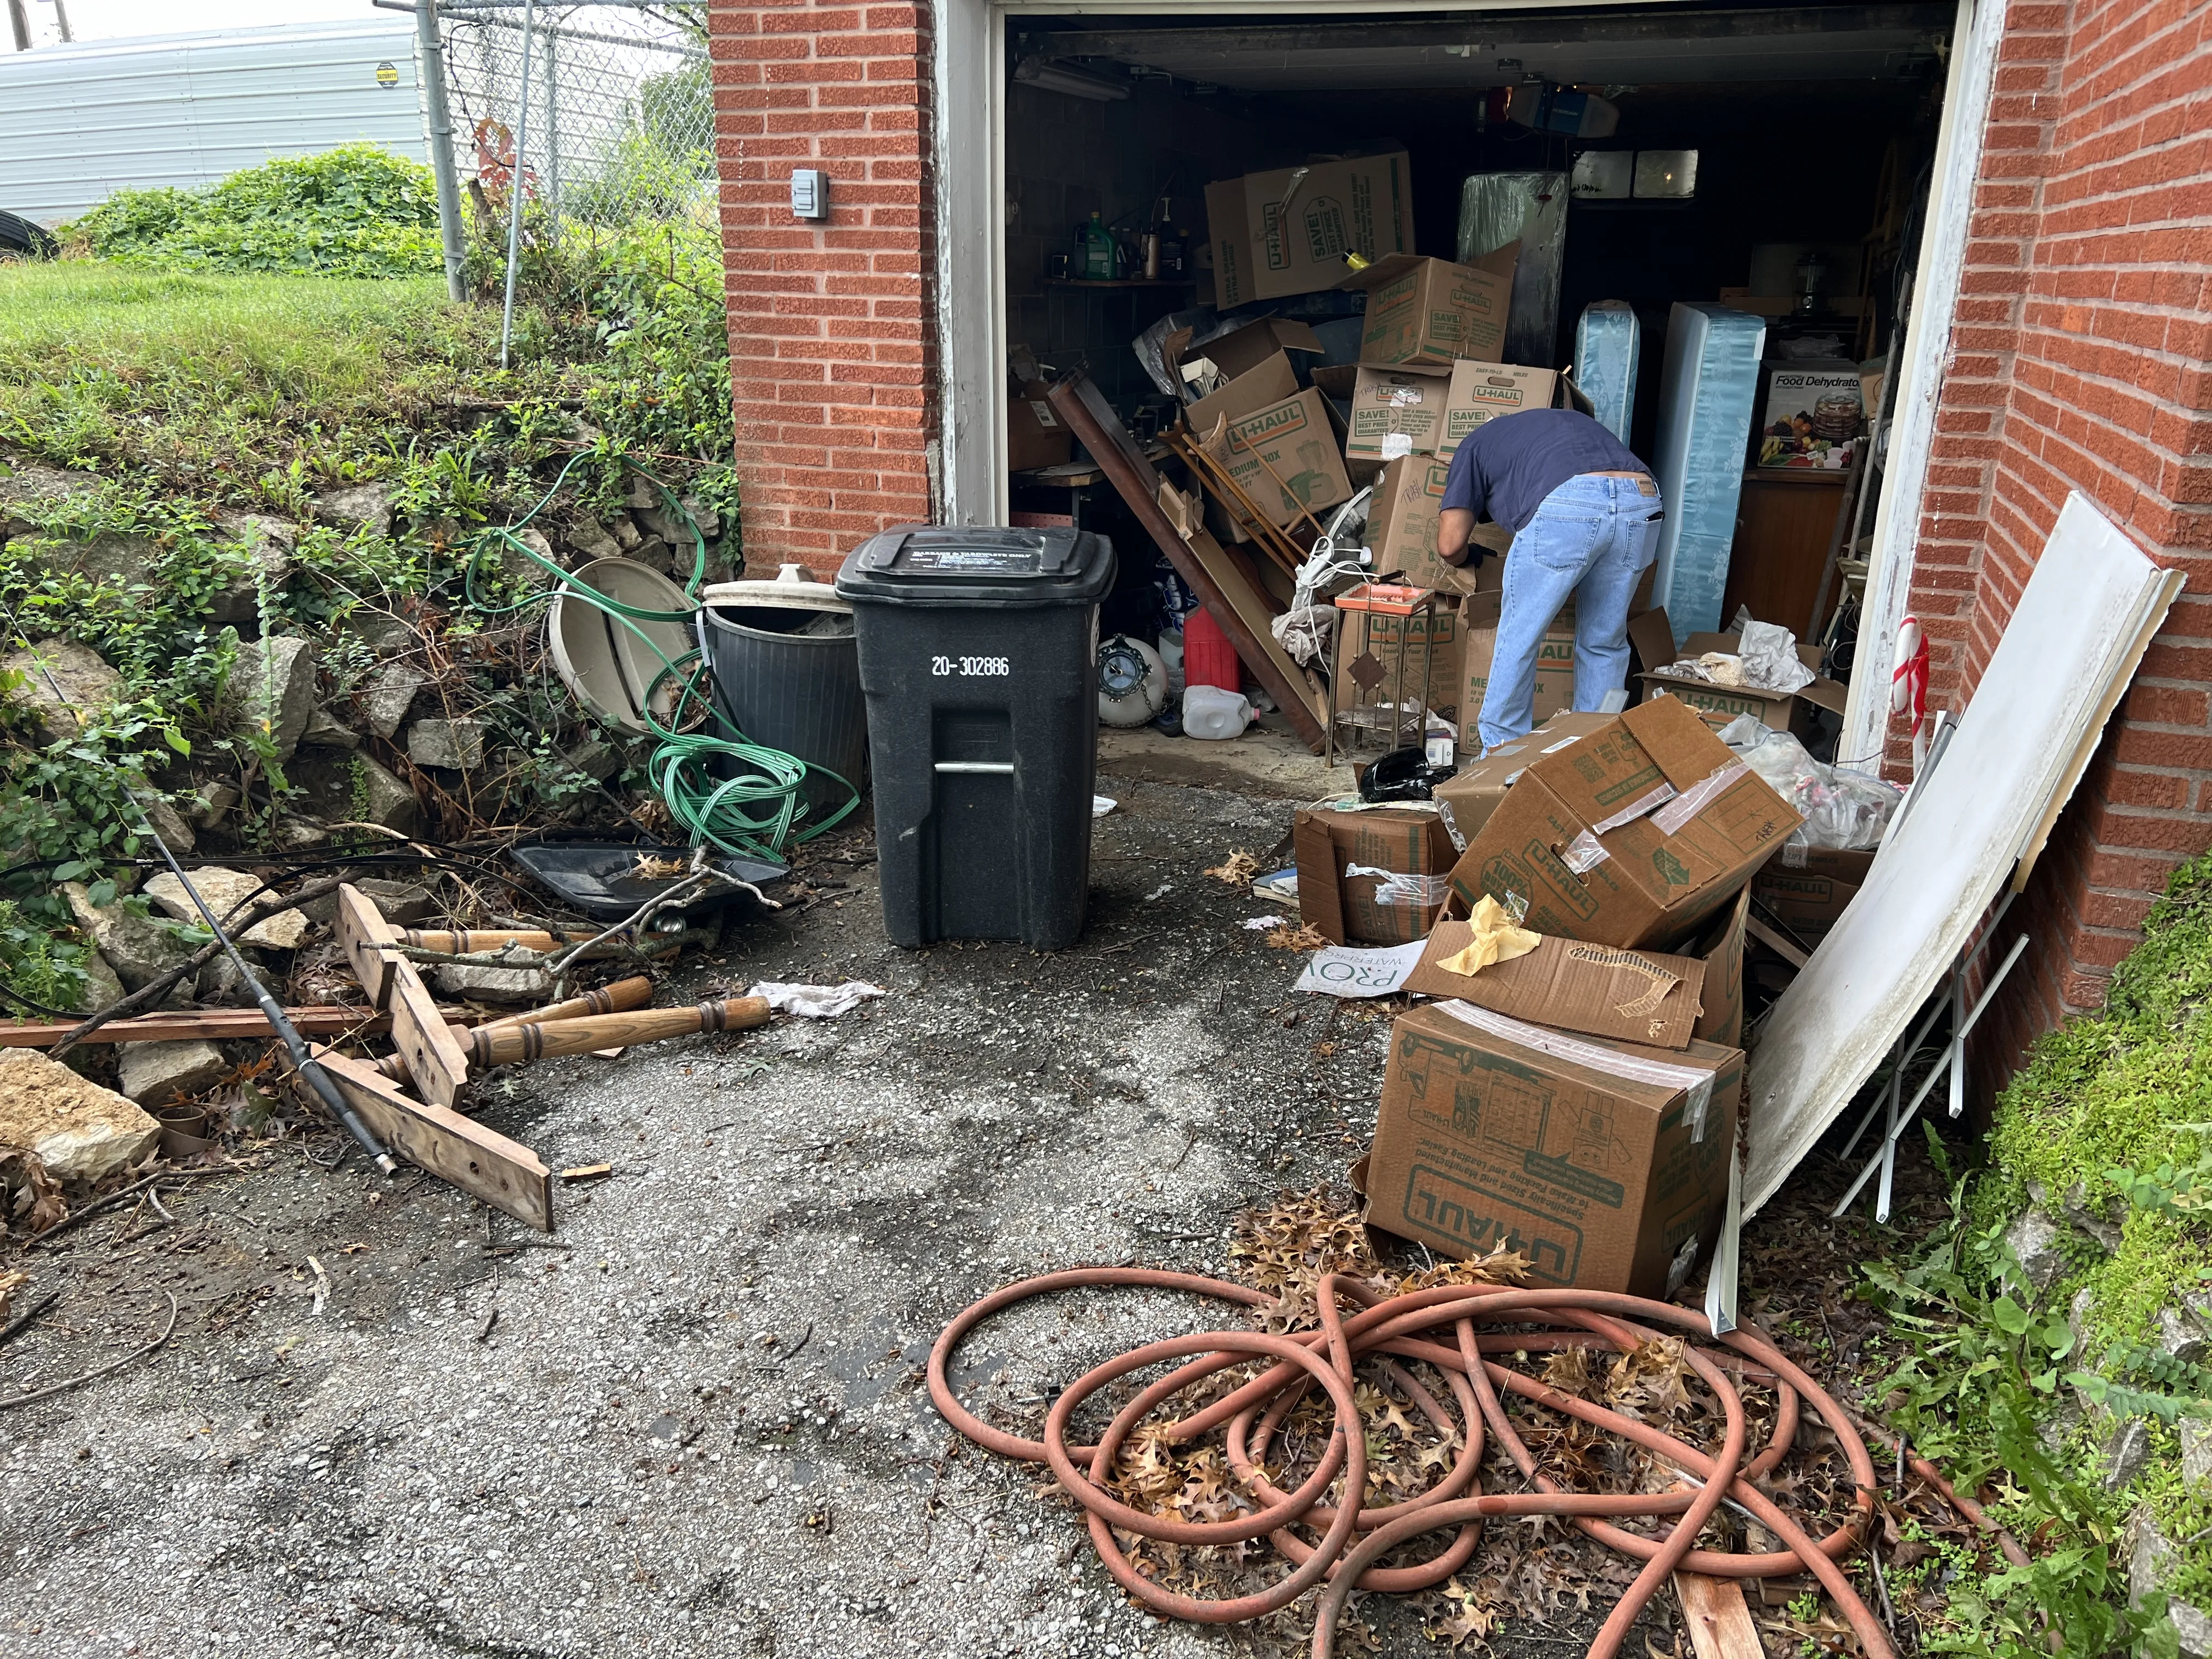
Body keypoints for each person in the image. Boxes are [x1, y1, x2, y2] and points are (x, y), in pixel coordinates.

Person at [1434, 407, 1664, 754]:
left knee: (1520, 635)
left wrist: (1473, 557)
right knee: (1605, 641)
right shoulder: (1555, 424)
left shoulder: (1473, 446)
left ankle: (1501, 758)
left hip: (1570, 502)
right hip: (1642, 499)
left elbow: (1450, 546)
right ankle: (1595, 753)